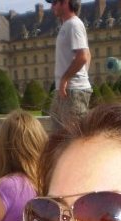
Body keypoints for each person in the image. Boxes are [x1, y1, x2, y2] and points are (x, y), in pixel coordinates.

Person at [46, 0, 92, 132]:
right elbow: (87, 54)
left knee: (73, 137)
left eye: (54, 2)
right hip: (66, 89)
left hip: (73, 91)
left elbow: (83, 56)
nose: (52, 6)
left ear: (65, 2)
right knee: (58, 136)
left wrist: (66, 79)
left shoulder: (74, 24)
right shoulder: (67, 25)